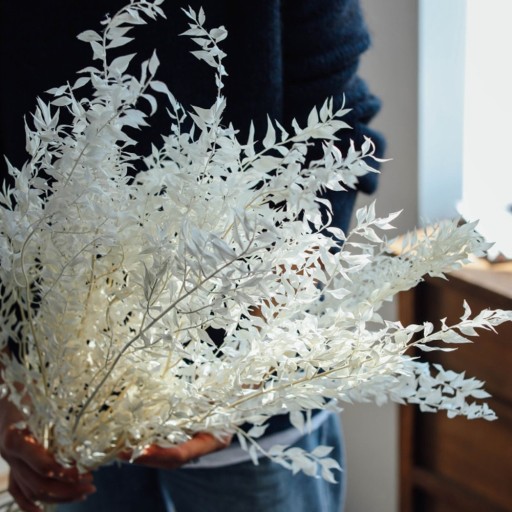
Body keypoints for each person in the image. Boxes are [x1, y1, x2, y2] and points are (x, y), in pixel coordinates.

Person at [0, 1, 385, 511]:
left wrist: (243, 361)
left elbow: (336, 139)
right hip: (56, 399)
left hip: (251, 403)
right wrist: (10, 382)